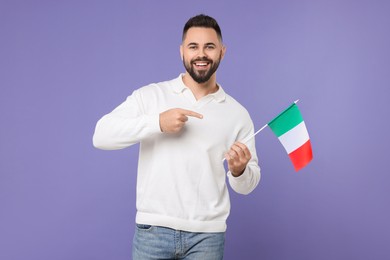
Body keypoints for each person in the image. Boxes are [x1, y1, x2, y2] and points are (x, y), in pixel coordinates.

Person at [93, 14, 261, 260]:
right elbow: (101, 135)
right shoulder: (151, 96)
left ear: (222, 52)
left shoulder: (238, 114)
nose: (201, 54)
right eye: (193, 46)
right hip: (153, 232)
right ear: (182, 51)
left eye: (209, 47)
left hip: (208, 236)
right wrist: (157, 122)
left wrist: (239, 171)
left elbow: (247, 185)